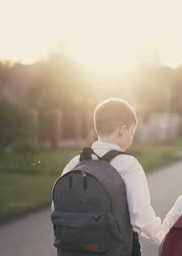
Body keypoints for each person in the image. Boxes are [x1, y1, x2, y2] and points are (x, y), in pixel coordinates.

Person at [54, 98, 166, 255]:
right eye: (132, 132)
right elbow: (141, 215)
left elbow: (57, 207)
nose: (132, 138)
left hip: (72, 249)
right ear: (122, 130)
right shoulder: (128, 165)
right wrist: (165, 238)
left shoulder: (75, 163)